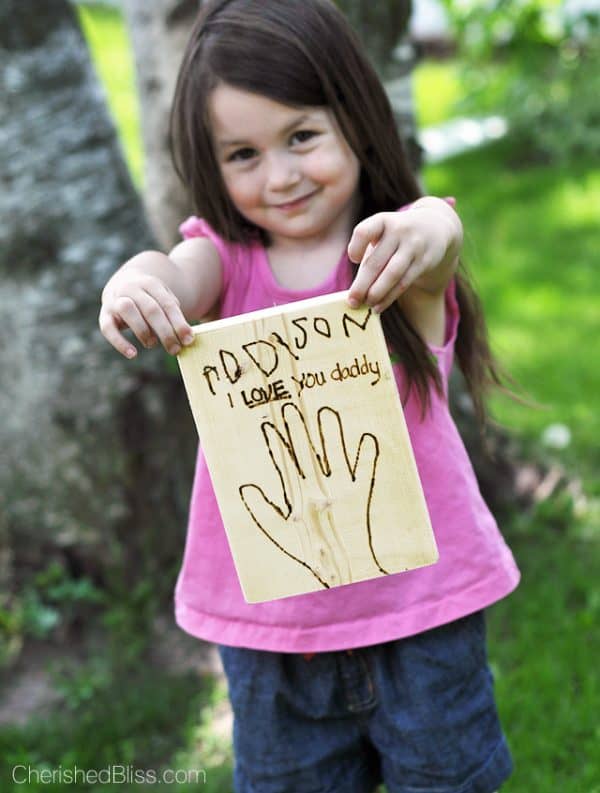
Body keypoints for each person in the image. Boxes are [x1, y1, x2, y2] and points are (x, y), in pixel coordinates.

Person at [98, 1, 520, 790]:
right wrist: (135, 284)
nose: (281, 175)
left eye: (301, 136)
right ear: (211, 164)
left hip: (422, 616)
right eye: (243, 154)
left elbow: (434, 236)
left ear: (355, 120)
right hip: (272, 632)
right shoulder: (222, 262)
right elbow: (169, 274)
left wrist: (427, 229)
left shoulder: (390, 256)